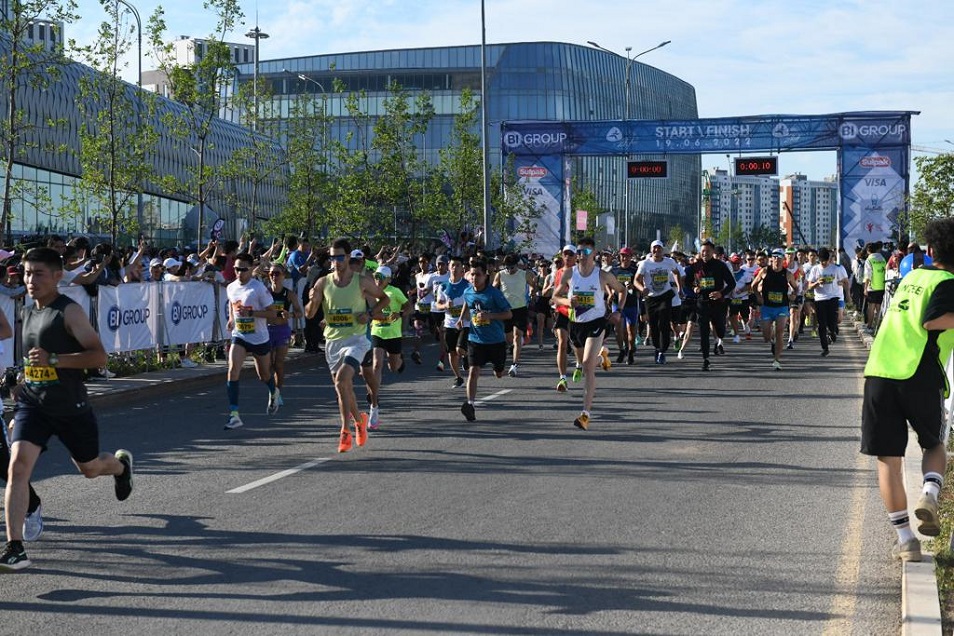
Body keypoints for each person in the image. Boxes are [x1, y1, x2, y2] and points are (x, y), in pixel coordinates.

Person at [0, 247, 133, 571]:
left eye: (38, 274)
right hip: (34, 403)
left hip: (70, 406)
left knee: (88, 468)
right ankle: (15, 547)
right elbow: (35, 359)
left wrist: (56, 361)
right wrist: (22, 381)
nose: (30, 280)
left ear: (58, 276)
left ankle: (119, 467)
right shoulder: (28, 312)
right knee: (16, 468)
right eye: (27, 274)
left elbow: (98, 357)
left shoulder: (69, 312)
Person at [861, 217, 954, 562]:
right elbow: (933, 320)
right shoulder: (949, 282)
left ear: (930, 250)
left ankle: (906, 542)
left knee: (888, 460)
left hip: (880, 371)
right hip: (919, 373)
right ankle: (929, 492)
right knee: (933, 444)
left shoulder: (911, 277)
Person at [305, 238, 389, 452]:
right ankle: (360, 421)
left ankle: (345, 431)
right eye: (333, 257)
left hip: (356, 340)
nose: (336, 261)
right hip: (333, 341)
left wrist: (369, 314)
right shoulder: (323, 282)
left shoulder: (361, 281)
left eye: (340, 257)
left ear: (349, 257)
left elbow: (384, 299)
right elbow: (310, 314)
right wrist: (312, 300)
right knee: (343, 387)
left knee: (343, 380)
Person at [553, 237, 626, 430]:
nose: (581, 255)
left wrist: (618, 311)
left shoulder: (602, 276)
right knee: (584, 361)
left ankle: (585, 414)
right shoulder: (569, 273)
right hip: (576, 325)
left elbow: (622, 290)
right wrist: (568, 302)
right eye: (579, 252)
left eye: (585, 252)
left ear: (594, 254)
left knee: (587, 366)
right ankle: (602, 356)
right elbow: (555, 296)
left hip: (596, 323)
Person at [224, 252, 280, 430]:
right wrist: (232, 319)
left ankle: (273, 390)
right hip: (240, 335)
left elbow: (272, 314)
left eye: (243, 269)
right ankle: (234, 415)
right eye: (236, 269)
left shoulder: (258, 288)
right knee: (233, 370)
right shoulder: (231, 287)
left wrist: (253, 314)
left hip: (260, 338)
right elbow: (233, 304)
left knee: (263, 375)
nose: (239, 273)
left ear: (250, 269)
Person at [458, 258, 512, 422]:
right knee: (473, 371)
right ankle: (470, 404)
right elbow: (467, 304)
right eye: (472, 274)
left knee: (499, 373)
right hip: (476, 339)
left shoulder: (494, 293)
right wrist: (461, 318)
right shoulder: (468, 291)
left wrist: (491, 315)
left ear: (485, 276)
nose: (475, 278)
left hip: (496, 341)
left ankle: (499, 367)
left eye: (478, 275)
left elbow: (508, 313)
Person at [369, 265, 411, 427]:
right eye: (376, 276)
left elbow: (409, 307)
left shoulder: (395, 291)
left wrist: (399, 313)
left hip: (393, 333)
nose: (378, 279)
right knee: (377, 364)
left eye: (381, 277)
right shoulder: (371, 291)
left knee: (393, 367)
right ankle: (374, 404)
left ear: (388, 279)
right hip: (377, 331)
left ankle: (400, 359)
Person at [689, 240, 736, 371]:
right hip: (702, 303)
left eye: (708, 251)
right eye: (703, 251)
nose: (705, 253)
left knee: (720, 330)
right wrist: (694, 288)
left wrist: (721, 293)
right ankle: (706, 359)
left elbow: (732, 283)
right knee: (704, 332)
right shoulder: (695, 266)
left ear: (712, 252)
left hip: (718, 304)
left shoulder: (720, 266)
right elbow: (688, 281)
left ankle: (719, 339)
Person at [634, 240, 681, 364]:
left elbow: (676, 273)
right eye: (654, 248)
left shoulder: (669, 262)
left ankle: (662, 351)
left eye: (659, 248)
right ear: (651, 250)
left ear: (662, 250)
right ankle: (657, 347)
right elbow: (636, 280)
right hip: (651, 298)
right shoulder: (645, 264)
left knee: (664, 324)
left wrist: (679, 287)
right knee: (653, 325)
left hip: (665, 295)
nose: (657, 251)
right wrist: (641, 288)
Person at [265, 264, 304, 407]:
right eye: (271, 274)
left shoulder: (289, 294)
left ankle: (277, 392)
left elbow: (300, 313)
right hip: (267, 331)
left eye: (277, 273)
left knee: (279, 364)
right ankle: (272, 390)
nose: (274, 276)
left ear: (283, 275)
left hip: (282, 330)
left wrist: (291, 314)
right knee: (267, 365)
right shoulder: (265, 293)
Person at [751, 250, 797, 370]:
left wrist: (793, 295)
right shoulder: (765, 271)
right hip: (767, 307)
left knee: (780, 332)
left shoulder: (787, 274)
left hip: (782, 307)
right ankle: (772, 342)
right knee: (766, 336)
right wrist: (758, 296)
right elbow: (753, 285)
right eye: (774, 257)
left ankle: (776, 360)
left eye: (779, 258)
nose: (777, 260)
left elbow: (796, 288)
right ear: (771, 259)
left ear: (783, 260)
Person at [434, 256, 470, 388]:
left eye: (458, 266)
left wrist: (465, 313)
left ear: (462, 269)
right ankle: (458, 377)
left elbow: (473, 302)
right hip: (449, 323)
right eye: (453, 265)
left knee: (459, 349)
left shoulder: (467, 286)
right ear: (449, 267)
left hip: (464, 323)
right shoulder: (443, 286)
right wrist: (445, 306)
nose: (455, 268)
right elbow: (438, 304)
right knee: (452, 353)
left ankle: (465, 356)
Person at [493, 253, 532, 377]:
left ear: (517, 265)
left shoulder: (524, 274)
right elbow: (494, 289)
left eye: (512, 267)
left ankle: (515, 364)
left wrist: (532, 292)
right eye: (507, 267)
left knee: (517, 335)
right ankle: (513, 346)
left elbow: (533, 285)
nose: (509, 270)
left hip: (520, 309)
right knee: (508, 338)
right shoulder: (500, 274)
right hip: (505, 310)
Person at [806, 247, 849, 357]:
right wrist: (817, 283)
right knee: (822, 324)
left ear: (829, 258)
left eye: (825, 260)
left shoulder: (836, 269)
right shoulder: (815, 269)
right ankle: (825, 347)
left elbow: (845, 281)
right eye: (822, 261)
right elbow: (809, 286)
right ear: (819, 260)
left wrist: (847, 293)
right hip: (820, 299)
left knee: (832, 321)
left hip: (833, 298)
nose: (824, 263)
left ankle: (833, 332)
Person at [863, 241, 887, 331]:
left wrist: (865, 288)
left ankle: (869, 326)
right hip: (882, 286)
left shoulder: (869, 260)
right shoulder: (882, 259)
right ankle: (878, 327)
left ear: (868, 251)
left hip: (872, 287)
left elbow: (868, 275)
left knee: (871, 307)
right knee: (879, 307)